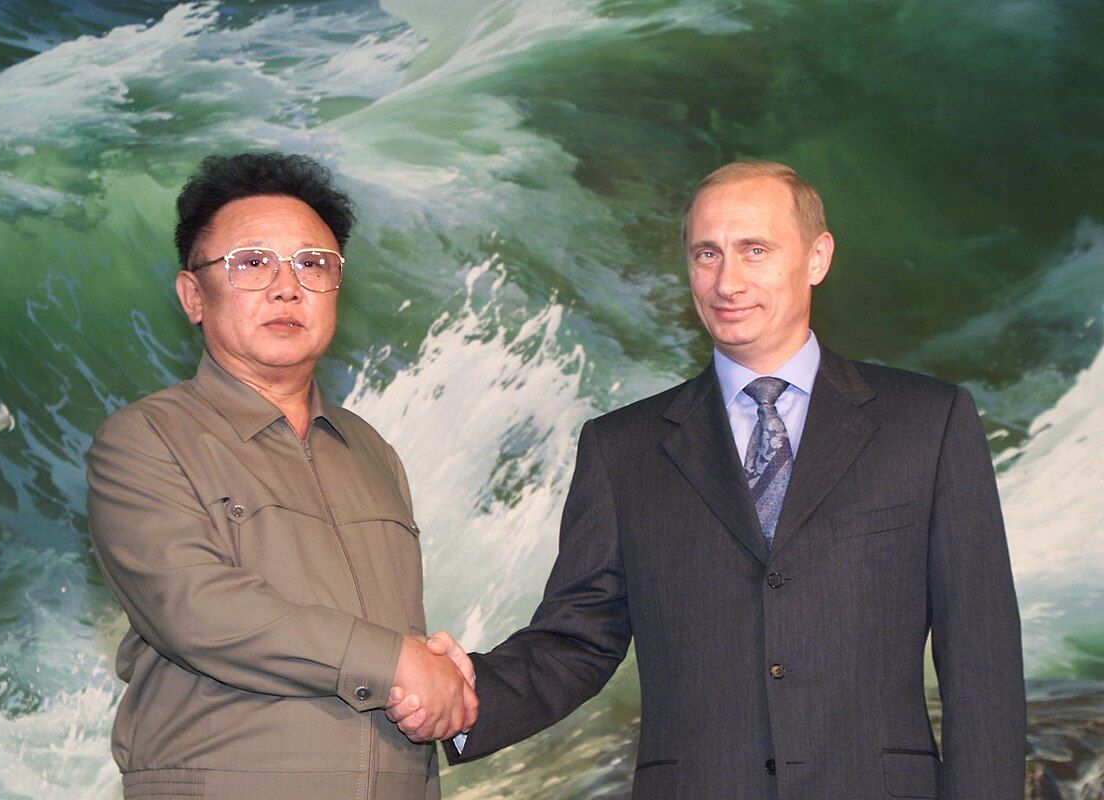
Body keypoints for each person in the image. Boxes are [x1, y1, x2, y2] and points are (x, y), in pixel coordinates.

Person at [389, 160, 1026, 798]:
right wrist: (463, 695)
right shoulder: (621, 448)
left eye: (755, 250)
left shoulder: (929, 422)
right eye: (706, 253)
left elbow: (982, 658)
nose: (728, 281)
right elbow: (578, 639)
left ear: (817, 257)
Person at [87, 152, 475, 800]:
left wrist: (433, 676)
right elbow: (197, 609)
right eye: (251, 262)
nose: (287, 287)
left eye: (313, 264)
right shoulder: (145, 438)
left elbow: (403, 652)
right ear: (193, 296)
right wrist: (395, 661)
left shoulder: (373, 453)